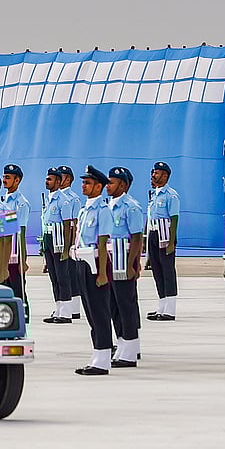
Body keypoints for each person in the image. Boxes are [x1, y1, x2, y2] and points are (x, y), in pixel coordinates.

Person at [71, 166, 114, 376]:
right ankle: (97, 353)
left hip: (96, 263)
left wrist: (103, 273)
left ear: (99, 186)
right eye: (83, 182)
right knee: (89, 311)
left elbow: (103, 241)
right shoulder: (85, 209)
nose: (84, 186)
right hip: (82, 261)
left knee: (99, 312)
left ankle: (103, 358)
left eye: (88, 183)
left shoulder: (102, 210)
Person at [106, 167, 144, 368]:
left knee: (126, 305)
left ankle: (130, 349)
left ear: (123, 185)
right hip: (110, 261)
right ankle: (122, 343)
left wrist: (132, 265)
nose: (107, 186)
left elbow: (137, 238)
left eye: (111, 182)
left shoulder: (131, 207)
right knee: (114, 306)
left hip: (123, 261)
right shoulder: (108, 206)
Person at [146, 161, 180, 321]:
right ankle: (162, 306)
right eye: (154, 172)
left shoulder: (171, 195)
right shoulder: (154, 194)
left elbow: (174, 219)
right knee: (157, 271)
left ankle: (170, 309)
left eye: (157, 173)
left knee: (167, 271)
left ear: (165, 176)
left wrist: (171, 242)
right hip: (153, 234)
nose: (154, 175)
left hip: (165, 235)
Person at [42, 167, 76, 323]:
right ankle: (58, 308)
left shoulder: (64, 200)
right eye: (46, 179)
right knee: (53, 277)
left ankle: (66, 312)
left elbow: (68, 225)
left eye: (50, 179)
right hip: (48, 239)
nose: (46, 181)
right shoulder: (49, 198)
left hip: (59, 242)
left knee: (63, 277)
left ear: (58, 181)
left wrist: (66, 248)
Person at [2, 164, 31, 318]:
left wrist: (23, 259)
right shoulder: (4, 200)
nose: (4, 180)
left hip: (15, 250)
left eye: (8, 177)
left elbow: (21, 232)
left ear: (17, 180)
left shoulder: (21, 203)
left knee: (18, 285)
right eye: (4, 176)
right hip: (5, 249)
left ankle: (24, 315)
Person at [57, 165, 83, 319]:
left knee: (71, 273)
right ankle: (68, 307)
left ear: (69, 179)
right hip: (57, 238)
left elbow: (74, 222)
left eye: (64, 177)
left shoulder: (72, 198)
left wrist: (72, 244)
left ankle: (74, 308)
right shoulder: (55, 196)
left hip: (69, 237)